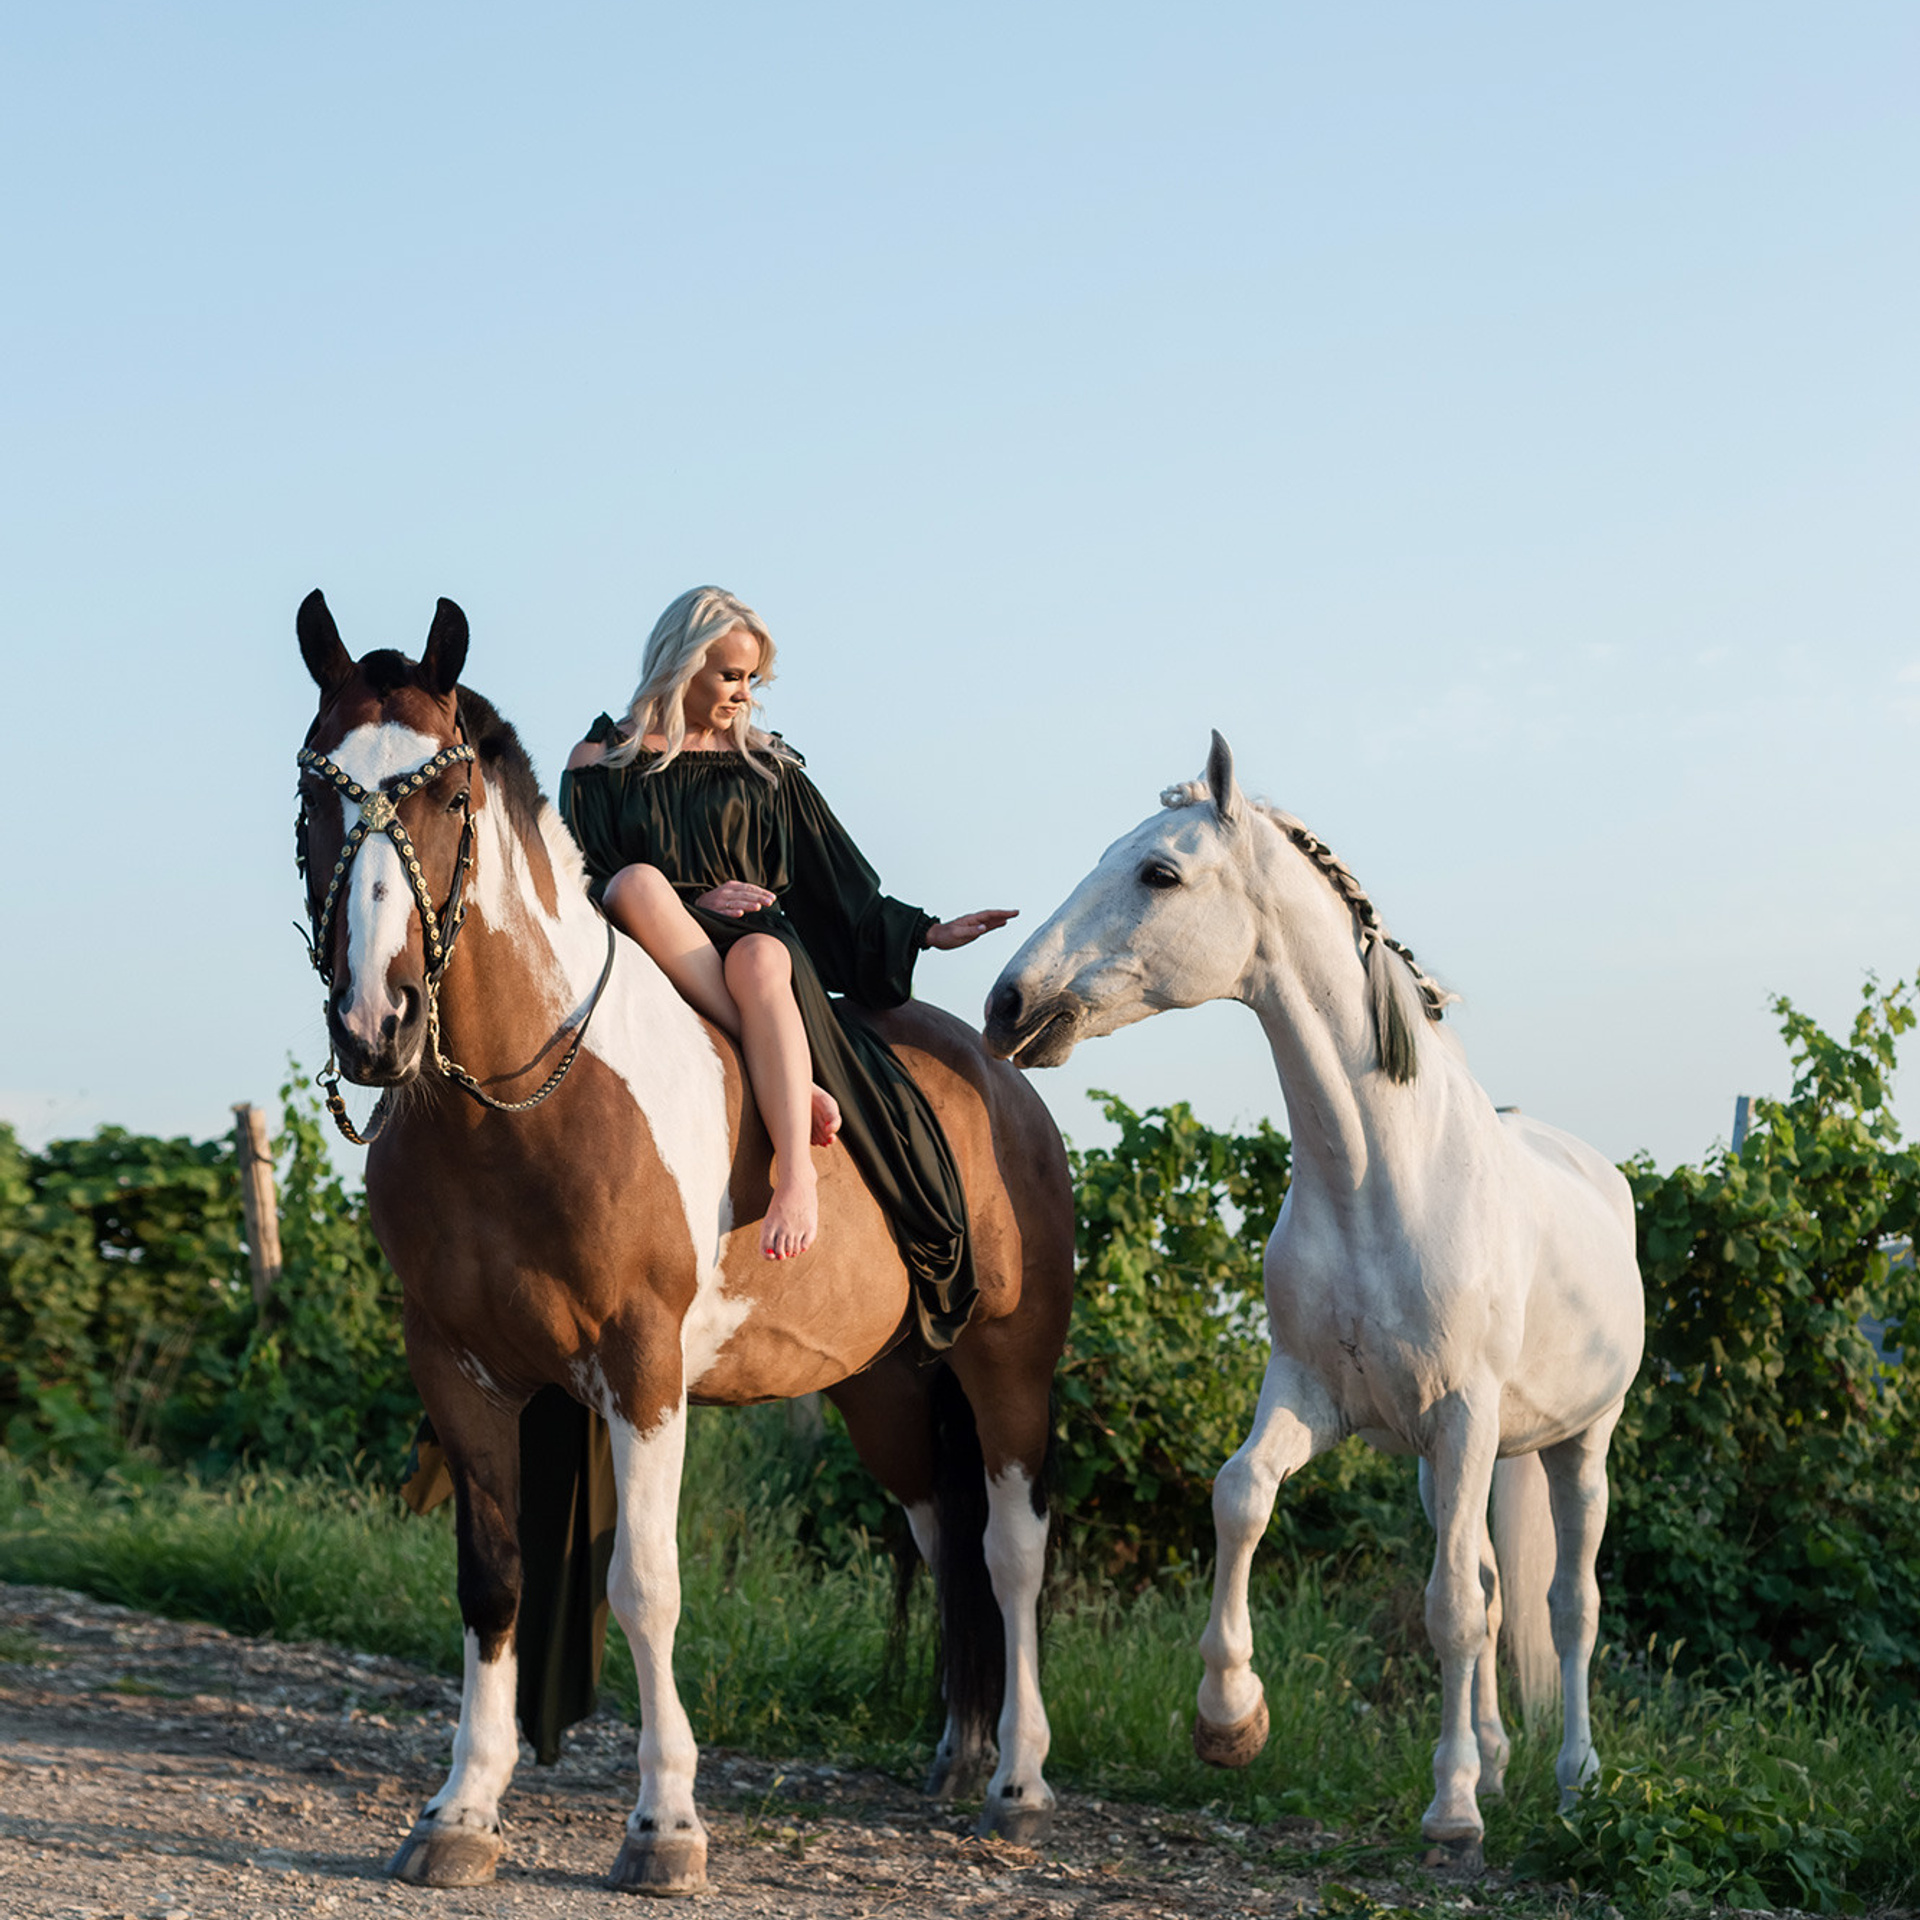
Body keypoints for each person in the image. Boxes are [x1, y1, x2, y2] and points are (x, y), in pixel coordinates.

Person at [558, 587, 1013, 1329]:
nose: (744, 693)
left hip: (757, 947)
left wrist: (926, 932)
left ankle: (795, 1178)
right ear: (682, 664)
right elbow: (578, 876)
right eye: (730, 675)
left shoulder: (767, 765)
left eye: (752, 679)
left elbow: (838, 881)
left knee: (764, 960)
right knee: (635, 882)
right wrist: (691, 900)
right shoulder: (603, 758)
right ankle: (791, 1079)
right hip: (651, 942)